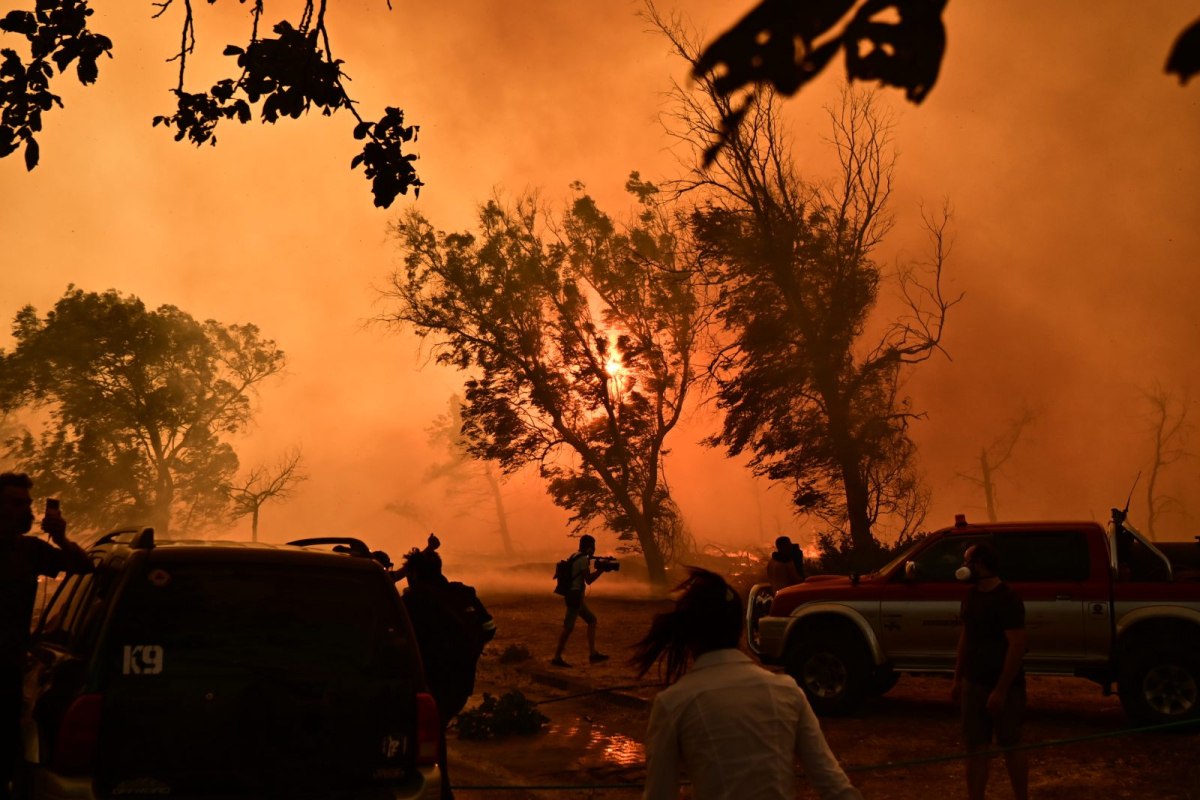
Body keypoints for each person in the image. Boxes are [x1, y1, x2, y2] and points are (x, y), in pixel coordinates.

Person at [634, 568, 863, 800]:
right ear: (741, 628)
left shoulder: (673, 703)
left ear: (689, 633)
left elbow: (659, 794)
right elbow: (836, 788)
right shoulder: (787, 692)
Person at [0, 473, 92, 799]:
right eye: (16, 503)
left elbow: (84, 568)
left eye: (27, 504)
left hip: (8, 671)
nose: (26, 511)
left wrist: (62, 538)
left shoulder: (28, 551)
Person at [398, 546, 495, 800]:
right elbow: (489, 627)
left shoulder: (413, 601)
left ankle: (440, 792)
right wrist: (473, 651)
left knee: (426, 741)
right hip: (462, 681)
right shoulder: (462, 594)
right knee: (436, 734)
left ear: (414, 575)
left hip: (429, 682)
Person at [952, 541, 1028, 800]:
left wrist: (1001, 690)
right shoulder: (972, 596)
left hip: (1005, 688)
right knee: (975, 748)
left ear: (980, 565)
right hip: (973, 684)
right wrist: (958, 678)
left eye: (967, 562)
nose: (963, 567)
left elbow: (1016, 645)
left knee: (1012, 745)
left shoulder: (1007, 599)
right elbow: (966, 637)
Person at [551, 534, 608, 667]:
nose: (594, 549)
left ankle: (593, 654)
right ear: (589, 547)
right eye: (593, 546)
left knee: (592, 620)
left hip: (574, 596)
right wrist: (601, 570)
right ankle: (556, 658)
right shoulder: (583, 560)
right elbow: (588, 580)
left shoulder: (574, 556)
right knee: (568, 628)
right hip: (575, 596)